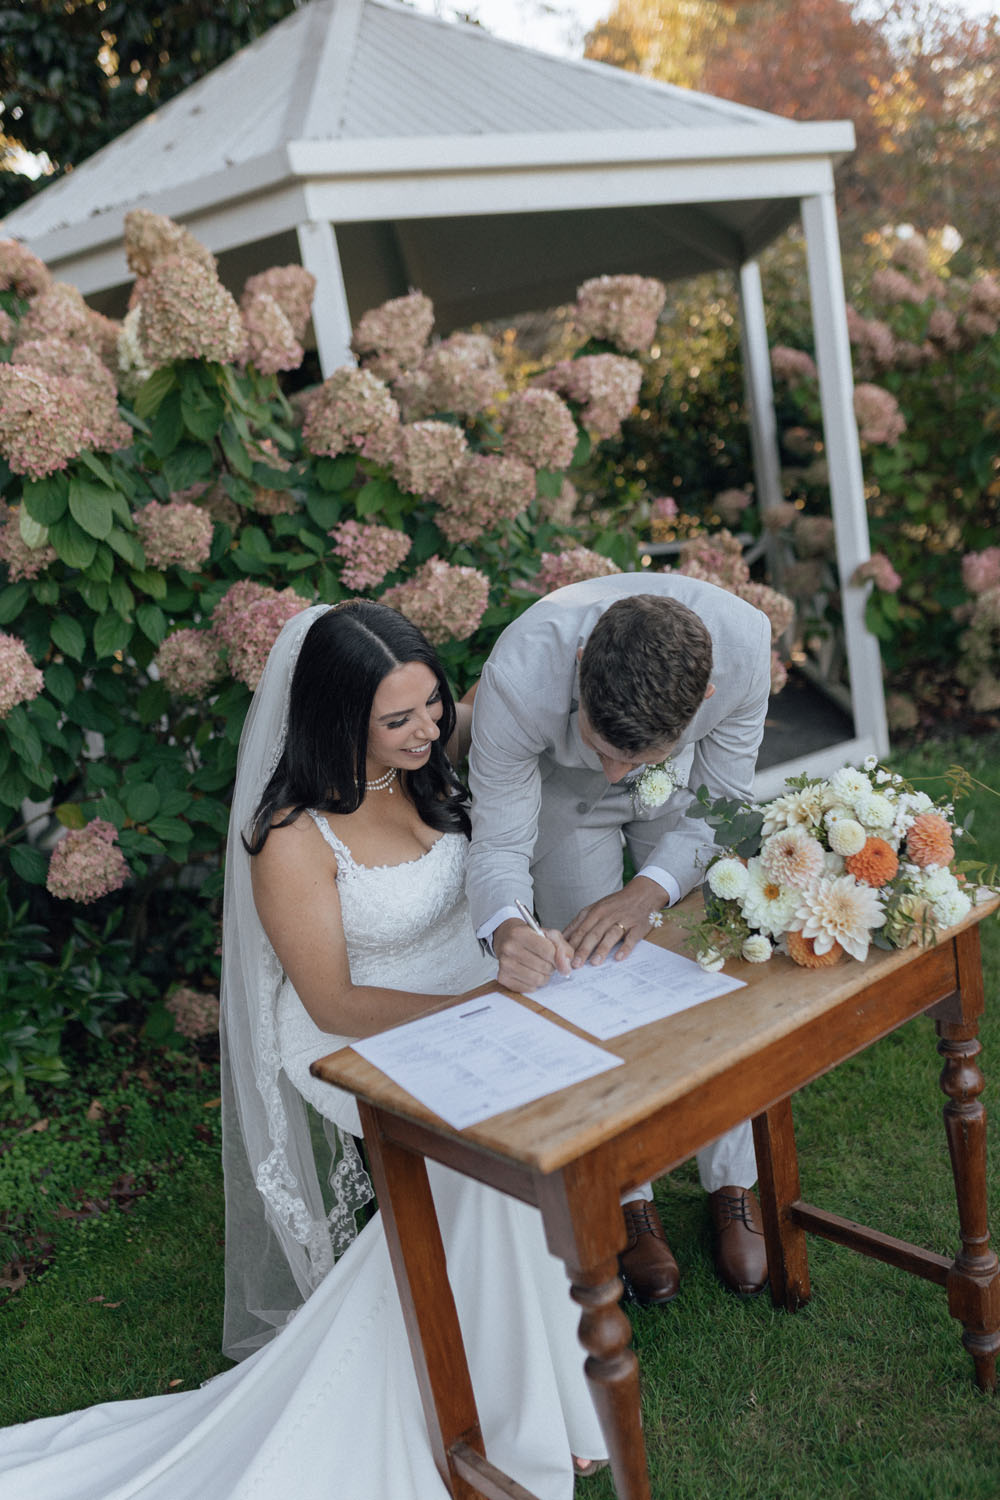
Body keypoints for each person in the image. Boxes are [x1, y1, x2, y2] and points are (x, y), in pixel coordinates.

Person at [0, 600, 607, 1500]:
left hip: (471, 991)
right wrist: (479, 1007)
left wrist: (515, 945)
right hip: (352, 1028)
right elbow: (331, 997)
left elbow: (531, 699)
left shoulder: (430, 752)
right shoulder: (292, 835)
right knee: (489, 1164)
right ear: (334, 719)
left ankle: (542, 1386)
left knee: (551, 1128)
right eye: (396, 720)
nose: (429, 730)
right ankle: (520, 1410)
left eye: (432, 705)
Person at [466, 571, 772, 1306]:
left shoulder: (744, 646)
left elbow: (724, 809)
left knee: (709, 970)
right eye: (601, 744)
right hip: (564, 811)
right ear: (578, 673)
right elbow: (501, 844)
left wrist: (650, 890)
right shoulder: (516, 677)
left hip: (687, 801)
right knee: (590, 979)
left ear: (701, 700)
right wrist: (508, 925)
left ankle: (733, 1182)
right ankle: (631, 1195)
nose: (617, 770)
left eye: (632, 755)